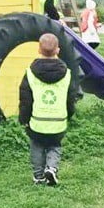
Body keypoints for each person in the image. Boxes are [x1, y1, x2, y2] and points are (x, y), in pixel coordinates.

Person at [19, 33, 75, 186]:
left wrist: (24, 118)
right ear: (58, 50)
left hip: (37, 121)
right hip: (58, 121)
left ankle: (38, 177)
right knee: (55, 146)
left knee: (37, 146)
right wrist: (70, 114)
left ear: (39, 49)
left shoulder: (30, 73)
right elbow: (71, 98)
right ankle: (51, 168)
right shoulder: (67, 74)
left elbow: (25, 99)